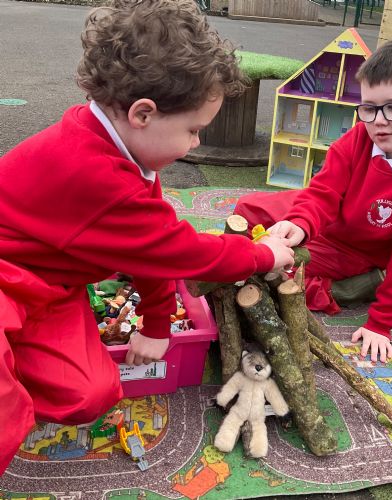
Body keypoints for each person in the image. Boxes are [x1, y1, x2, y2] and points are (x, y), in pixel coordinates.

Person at [0, 0, 294, 475]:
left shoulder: (129, 156)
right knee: (4, 415)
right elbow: (181, 251)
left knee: (88, 395)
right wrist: (260, 254)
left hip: (48, 288)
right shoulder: (93, 172)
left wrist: (158, 324)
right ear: (143, 114)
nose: (196, 142)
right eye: (193, 130)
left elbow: (150, 251)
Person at [236, 36, 392, 364]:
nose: (378, 120)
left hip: (355, 250)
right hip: (329, 220)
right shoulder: (360, 136)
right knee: (248, 210)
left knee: (282, 274)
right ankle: (292, 244)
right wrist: (299, 223)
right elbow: (323, 192)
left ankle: (350, 288)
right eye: (369, 107)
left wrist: (381, 323)